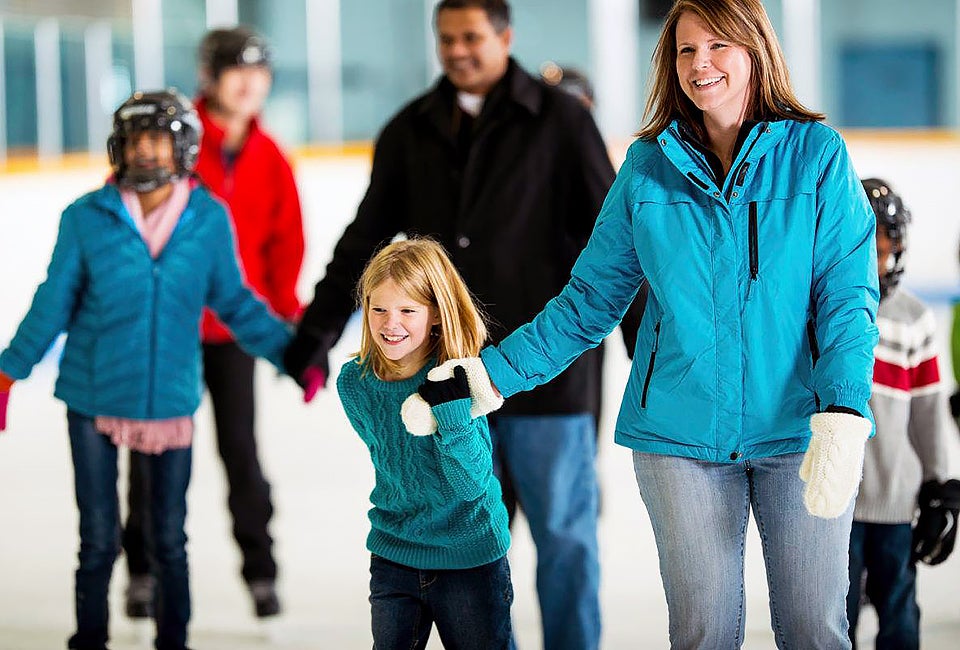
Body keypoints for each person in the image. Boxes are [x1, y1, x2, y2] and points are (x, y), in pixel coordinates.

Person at [469, 0, 880, 646]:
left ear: (754, 50)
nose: (701, 63)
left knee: (814, 628)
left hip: (800, 430)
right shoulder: (646, 169)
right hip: (679, 441)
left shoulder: (815, 156)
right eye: (686, 50)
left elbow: (847, 299)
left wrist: (846, 413)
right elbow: (587, 303)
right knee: (702, 632)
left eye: (718, 46)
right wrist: (489, 375)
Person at [283, 1, 634, 647]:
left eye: (472, 37)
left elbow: (614, 249)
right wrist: (315, 335)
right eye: (446, 38)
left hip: (544, 381)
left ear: (506, 37)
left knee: (564, 540)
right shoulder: (410, 129)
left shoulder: (561, 122)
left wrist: (647, 353)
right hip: (436, 387)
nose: (458, 50)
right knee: (457, 542)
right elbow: (364, 240)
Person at [0, 90, 292, 650]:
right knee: (98, 539)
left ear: (183, 147)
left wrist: (292, 353)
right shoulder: (86, 217)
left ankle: (172, 639)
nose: (147, 152)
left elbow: (235, 303)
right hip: (93, 397)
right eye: (136, 140)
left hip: (169, 399)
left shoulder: (208, 218)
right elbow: (51, 304)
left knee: (167, 539)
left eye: (159, 139)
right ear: (120, 146)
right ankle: (89, 637)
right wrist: (9, 371)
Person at [122, 25, 305, 620]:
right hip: (166, 329)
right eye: (236, 69)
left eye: (260, 70)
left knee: (240, 451)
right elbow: (124, 216)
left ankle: (261, 570)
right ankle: (144, 570)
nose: (250, 82)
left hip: (232, 333)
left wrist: (286, 327)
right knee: (154, 449)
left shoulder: (271, 156)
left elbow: (285, 244)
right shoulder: (170, 137)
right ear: (210, 76)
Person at [336, 237, 512, 649]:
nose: (389, 323)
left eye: (407, 311)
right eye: (378, 308)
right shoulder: (354, 383)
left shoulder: (460, 380)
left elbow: (471, 485)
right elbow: (391, 460)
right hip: (394, 551)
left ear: (435, 314)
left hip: (469, 555)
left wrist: (451, 415)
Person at [845, 178, 955, 649]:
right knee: (831, 619)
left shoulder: (914, 319)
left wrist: (939, 485)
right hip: (835, 509)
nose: (879, 259)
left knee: (899, 617)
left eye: (887, 247)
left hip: (896, 502)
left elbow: (928, 412)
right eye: (869, 246)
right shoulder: (824, 312)